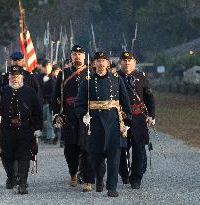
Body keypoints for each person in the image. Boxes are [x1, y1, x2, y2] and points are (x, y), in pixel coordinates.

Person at [75, 51, 132, 197]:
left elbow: (124, 100)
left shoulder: (116, 78)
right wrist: (83, 115)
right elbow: (79, 104)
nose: (101, 64)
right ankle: (99, 177)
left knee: (114, 154)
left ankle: (112, 187)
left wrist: (127, 120)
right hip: (95, 122)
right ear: (93, 64)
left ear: (108, 63)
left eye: (103, 61)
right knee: (96, 155)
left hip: (113, 120)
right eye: (98, 61)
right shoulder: (87, 80)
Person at [0, 65, 42, 194]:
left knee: (24, 155)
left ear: (22, 77)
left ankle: (22, 182)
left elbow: (37, 112)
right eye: (12, 76)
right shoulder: (3, 91)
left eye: (17, 76)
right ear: (9, 77)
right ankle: (11, 177)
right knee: (7, 156)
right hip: (7, 130)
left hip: (25, 129)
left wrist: (37, 128)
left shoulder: (30, 91)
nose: (15, 79)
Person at [53, 45, 95, 192]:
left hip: (87, 117)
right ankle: (73, 172)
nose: (77, 56)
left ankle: (88, 179)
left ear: (84, 56)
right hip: (69, 118)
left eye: (80, 54)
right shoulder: (63, 74)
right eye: (74, 54)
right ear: (70, 56)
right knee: (70, 150)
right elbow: (56, 97)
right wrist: (57, 114)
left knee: (87, 148)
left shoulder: (91, 73)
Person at [118, 51, 155, 189]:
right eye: (124, 60)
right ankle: (124, 172)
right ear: (120, 62)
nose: (127, 63)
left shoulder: (141, 77)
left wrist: (151, 115)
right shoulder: (115, 77)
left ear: (134, 62)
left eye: (130, 60)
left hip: (139, 118)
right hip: (121, 119)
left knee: (139, 149)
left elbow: (149, 97)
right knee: (121, 149)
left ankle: (136, 177)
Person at [40, 60, 55, 144]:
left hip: (49, 102)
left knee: (49, 121)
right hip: (41, 103)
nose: (47, 69)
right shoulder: (38, 77)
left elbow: (53, 92)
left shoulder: (52, 79)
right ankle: (44, 134)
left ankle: (50, 137)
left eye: (48, 67)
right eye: (45, 67)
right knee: (41, 119)